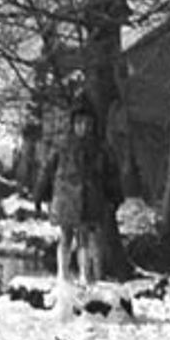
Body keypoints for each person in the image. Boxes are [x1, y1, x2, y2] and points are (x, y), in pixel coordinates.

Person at [33, 93, 123, 304]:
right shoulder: (61, 147)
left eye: (88, 123)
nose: (84, 127)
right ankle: (63, 275)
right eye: (80, 123)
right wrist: (39, 194)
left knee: (86, 238)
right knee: (65, 236)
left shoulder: (101, 149)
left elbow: (111, 175)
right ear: (73, 124)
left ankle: (85, 276)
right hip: (65, 200)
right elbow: (47, 171)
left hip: (91, 200)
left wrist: (115, 196)